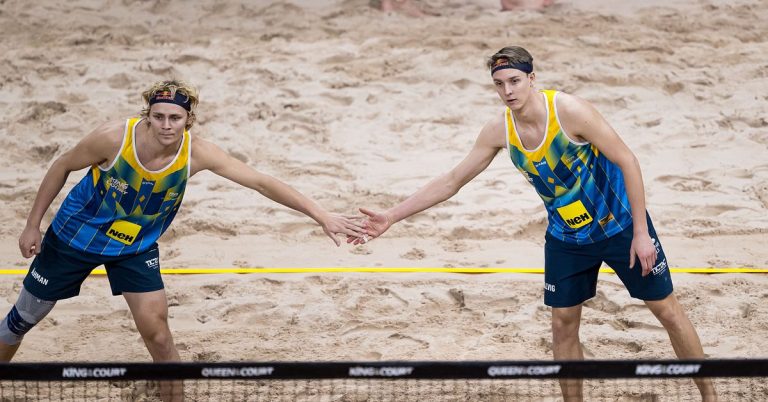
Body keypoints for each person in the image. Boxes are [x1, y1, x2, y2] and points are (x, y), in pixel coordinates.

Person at [350, 46, 716, 401]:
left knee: (666, 310)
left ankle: (711, 396)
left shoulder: (569, 111)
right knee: (562, 324)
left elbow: (628, 160)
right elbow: (452, 180)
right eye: (499, 84)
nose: (507, 91)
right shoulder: (500, 130)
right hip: (566, 238)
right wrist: (392, 216)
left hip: (619, 227)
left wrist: (640, 233)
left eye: (514, 81)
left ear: (531, 79)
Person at [0, 80, 364, 399]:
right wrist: (33, 224)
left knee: (158, 335)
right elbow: (62, 165)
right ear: (147, 115)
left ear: (188, 121)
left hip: (135, 247)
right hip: (75, 237)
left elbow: (261, 182)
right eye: (158, 116)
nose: (166, 125)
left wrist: (321, 215)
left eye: (174, 118)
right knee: (23, 319)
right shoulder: (114, 137)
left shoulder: (197, 152)